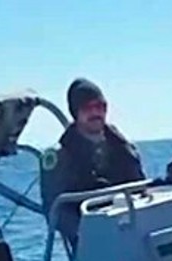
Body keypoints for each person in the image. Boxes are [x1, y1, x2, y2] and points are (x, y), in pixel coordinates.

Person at [40, 77, 146, 248]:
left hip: (136, 236)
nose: (96, 112)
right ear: (75, 113)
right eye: (88, 108)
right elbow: (55, 212)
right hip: (93, 247)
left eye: (100, 106)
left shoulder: (124, 148)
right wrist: (91, 232)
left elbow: (142, 190)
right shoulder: (59, 157)